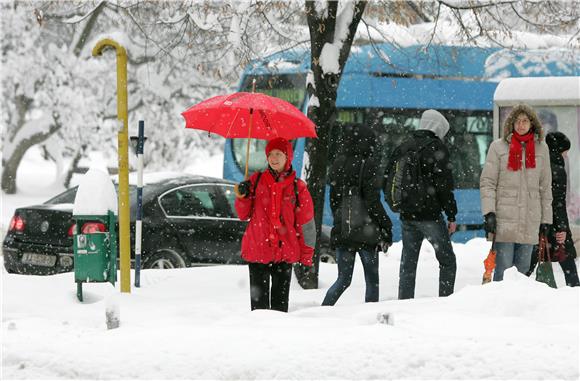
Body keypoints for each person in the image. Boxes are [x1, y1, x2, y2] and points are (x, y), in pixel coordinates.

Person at [235, 137, 316, 312]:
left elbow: (306, 224)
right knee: (259, 311)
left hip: (284, 253)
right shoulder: (255, 181)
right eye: (270, 154)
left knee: (280, 310)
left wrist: (307, 255)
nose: (274, 158)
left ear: (288, 157)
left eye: (278, 154)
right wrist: (243, 196)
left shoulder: (298, 187)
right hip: (258, 250)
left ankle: (278, 339)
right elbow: (243, 214)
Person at [322, 124, 392, 306]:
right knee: (372, 280)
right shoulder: (368, 165)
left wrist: (342, 219)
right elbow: (372, 201)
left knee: (343, 280)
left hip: (344, 230)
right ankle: (370, 315)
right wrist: (386, 224)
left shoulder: (338, 163)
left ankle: (323, 311)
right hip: (366, 233)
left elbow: (334, 201)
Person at [480, 104, 553, 281]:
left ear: (532, 124)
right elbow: (487, 182)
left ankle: (517, 308)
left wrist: (546, 220)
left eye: (525, 121)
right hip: (504, 220)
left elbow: (545, 186)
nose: (521, 125)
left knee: (523, 273)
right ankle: (499, 307)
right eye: (517, 121)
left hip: (530, 219)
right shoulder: (497, 147)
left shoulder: (542, 149)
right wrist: (489, 212)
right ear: (511, 124)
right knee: (503, 271)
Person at [394, 109, 458, 299]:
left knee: (408, 263)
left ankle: (404, 302)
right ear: (438, 127)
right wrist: (451, 214)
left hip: (407, 215)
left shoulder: (404, 146)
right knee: (447, 260)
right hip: (430, 215)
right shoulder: (437, 148)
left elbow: (390, 178)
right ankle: (445, 300)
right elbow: (444, 186)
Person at [527, 132, 579, 286]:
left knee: (531, 259)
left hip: (539, 220)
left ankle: (513, 286)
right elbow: (558, 201)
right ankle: (575, 291)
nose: (566, 155)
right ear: (559, 150)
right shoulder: (557, 168)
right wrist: (562, 228)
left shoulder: (540, 164)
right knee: (566, 259)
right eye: (565, 152)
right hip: (554, 222)